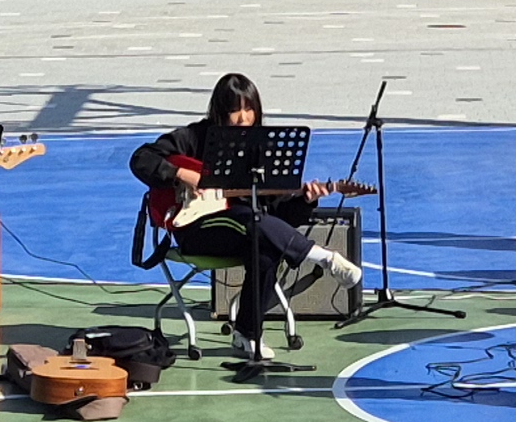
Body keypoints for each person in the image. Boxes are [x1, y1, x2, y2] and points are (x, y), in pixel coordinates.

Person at [132, 74, 363, 366]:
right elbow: (141, 158)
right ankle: (324, 257)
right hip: (196, 228)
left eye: (249, 109)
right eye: (235, 110)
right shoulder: (193, 138)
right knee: (250, 220)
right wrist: (182, 174)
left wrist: (308, 199)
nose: (244, 118)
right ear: (219, 110)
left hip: (243, 228)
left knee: (263, 239)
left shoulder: (259, 150)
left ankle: (247, 334)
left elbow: (277, 216)